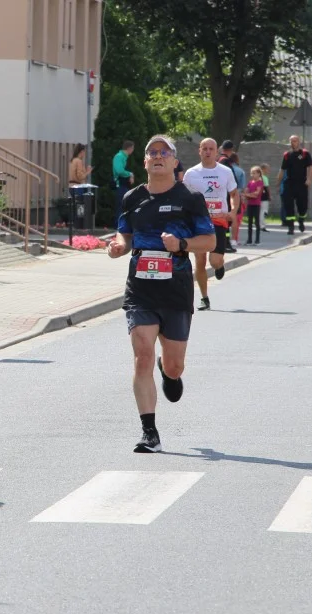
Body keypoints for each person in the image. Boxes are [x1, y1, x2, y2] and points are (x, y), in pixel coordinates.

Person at [106, 134, 215, 453]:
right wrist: (117, 247)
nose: (157, 156)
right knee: (141, 356)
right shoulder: (132, 198)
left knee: (174, 366)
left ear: (174, 160)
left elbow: (208, 241)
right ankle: (149, 432)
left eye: (163, 152)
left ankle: (169, 374)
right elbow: (123, 235)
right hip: (140, 288)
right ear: (144, 162)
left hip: (176, 287)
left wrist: (181, 244)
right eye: (151, 152)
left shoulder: (190, 198)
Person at [183, 138, 238, 311]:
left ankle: (219, 265)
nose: (207, 151)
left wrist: (232, 212)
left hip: (218, 220)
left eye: (211, 149)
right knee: (200, 260)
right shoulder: (191, 173)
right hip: (198, 221)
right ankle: (204, 298)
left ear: (216, 151)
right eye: (204, 148)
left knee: (214, 261)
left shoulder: (225, 172)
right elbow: (184, 198)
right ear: (199, 151)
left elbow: (234, 194)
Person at [276, 135, 312, 235]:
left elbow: (311, 167)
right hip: (289, 183)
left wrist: (309, 179)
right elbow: (282, 170)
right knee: (288, 205)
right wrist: (278, 183)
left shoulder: (305, 154)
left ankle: (301, 220)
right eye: (292, 141)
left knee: (302, 206)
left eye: (295, 141)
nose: (293, 143)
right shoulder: (287, 155)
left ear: (299, 142)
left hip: (301, 184)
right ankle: (290, 226)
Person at [112, 140, 134, 223]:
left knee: (124, 206)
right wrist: (130, 174)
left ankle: (122, 225)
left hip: (124, 185)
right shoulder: (119, 156)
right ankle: (118, 226)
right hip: (120, 185)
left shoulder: (123, 157)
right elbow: (119, 170)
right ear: (130, 148)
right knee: (121, 206)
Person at [228, 153, 246, 245]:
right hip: (236, 195)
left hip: (226, 194)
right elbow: (242, 186)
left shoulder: (225, 169)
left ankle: (225, 239)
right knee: (234, 217)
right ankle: (234, 240)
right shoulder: (240, 171)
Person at [244, 165, 264, 245]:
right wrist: (248, 194)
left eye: (254, 173)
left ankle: (257, 239)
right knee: (249, 222)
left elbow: (257, 194)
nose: (252, 175)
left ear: (259, 174)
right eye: (251, 173)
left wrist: (248, 194)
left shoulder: (260, 182)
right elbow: (246, 191)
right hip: (250, 204)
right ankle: (249, 239)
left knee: (256, 222)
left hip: (256, 204)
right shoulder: (250, 183)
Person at [259, 162, 271, 233]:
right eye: (267, 169)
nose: (268, 170)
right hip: (264, 196)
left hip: (258, 196)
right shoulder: (264, 178)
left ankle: (259, 224)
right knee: (264, 211)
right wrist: (269, 196)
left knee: (260, 211)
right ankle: (262, 225)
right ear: (263, 169)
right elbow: (267, 187)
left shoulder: (258, 177)